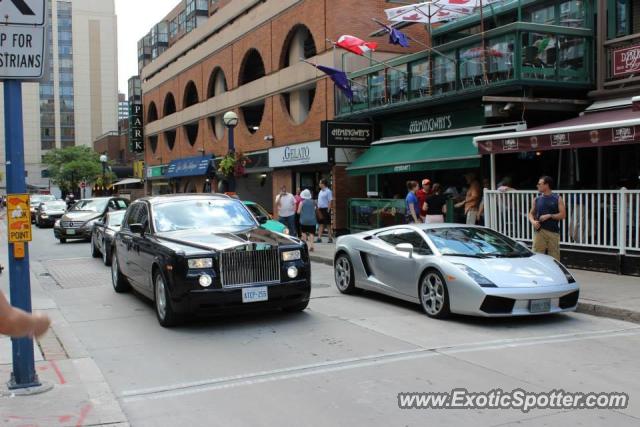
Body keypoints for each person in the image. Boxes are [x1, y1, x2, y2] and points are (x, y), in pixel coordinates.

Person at [528, 175, 566, 261]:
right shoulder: (536, 199)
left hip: (553, 232)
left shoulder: (557, 198)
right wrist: (533, 222)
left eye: (539, 184)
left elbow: (563, 215)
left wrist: (549, 215)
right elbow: (530, 214)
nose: (537, 185)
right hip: (539, 232)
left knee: (554, 258)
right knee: (537, 257)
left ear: (546, 185)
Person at [316, 179, 334, 244]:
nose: (319, 184)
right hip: (320, 209)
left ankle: (330, 238)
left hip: (326, 209)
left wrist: (328, 210)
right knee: (320, 224)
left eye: (320, 183)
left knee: (328, 224)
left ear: (323, 184)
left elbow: (330, 201)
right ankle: (319, 238)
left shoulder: (328, 191)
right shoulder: (320, 191)